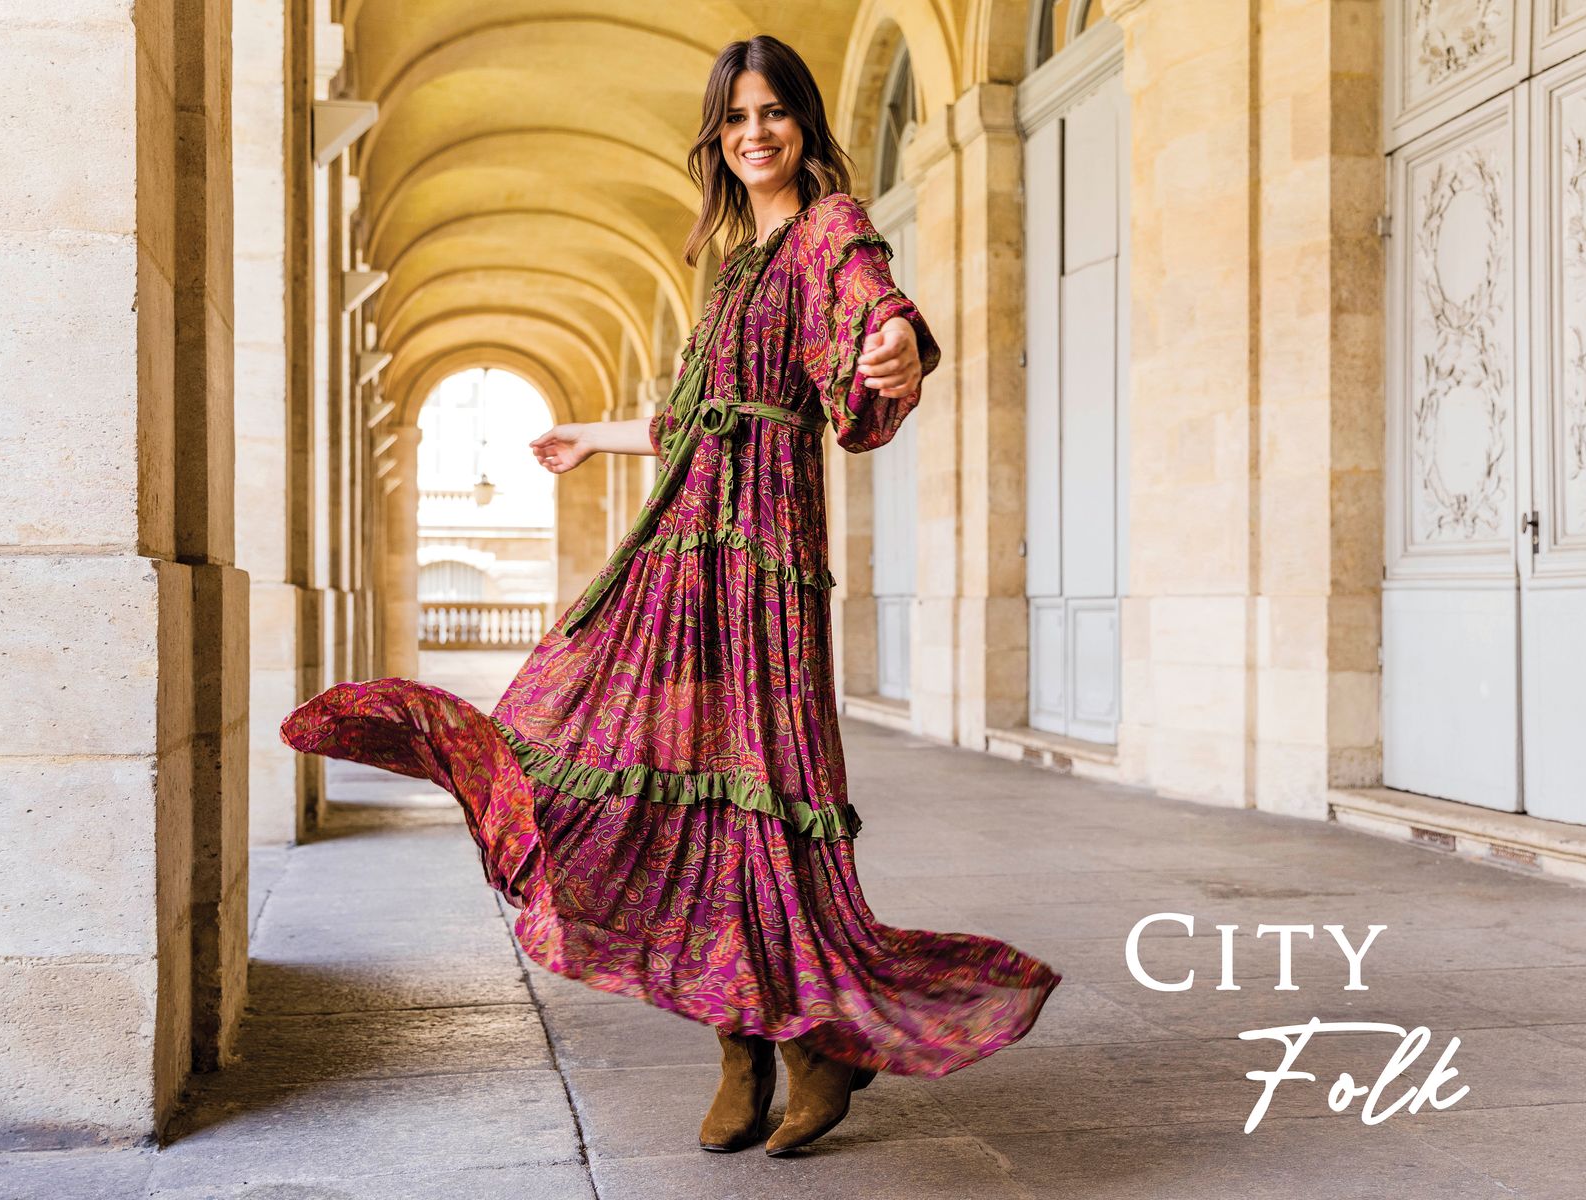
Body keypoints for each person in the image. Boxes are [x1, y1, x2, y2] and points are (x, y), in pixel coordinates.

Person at [281, 34, 1059, 1157]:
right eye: (735, 117)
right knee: (673, 786)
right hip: (681, 556)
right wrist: (590, 436)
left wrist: (896, 341)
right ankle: (745, 1043)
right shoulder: (732, 267)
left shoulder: (827, 227)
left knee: (765, 791)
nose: (754, 133)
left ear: (803, 122)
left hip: (763, 561)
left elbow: (870, 299)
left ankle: (807, 1040)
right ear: (716, 137)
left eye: (772, 111)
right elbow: (697, 415)